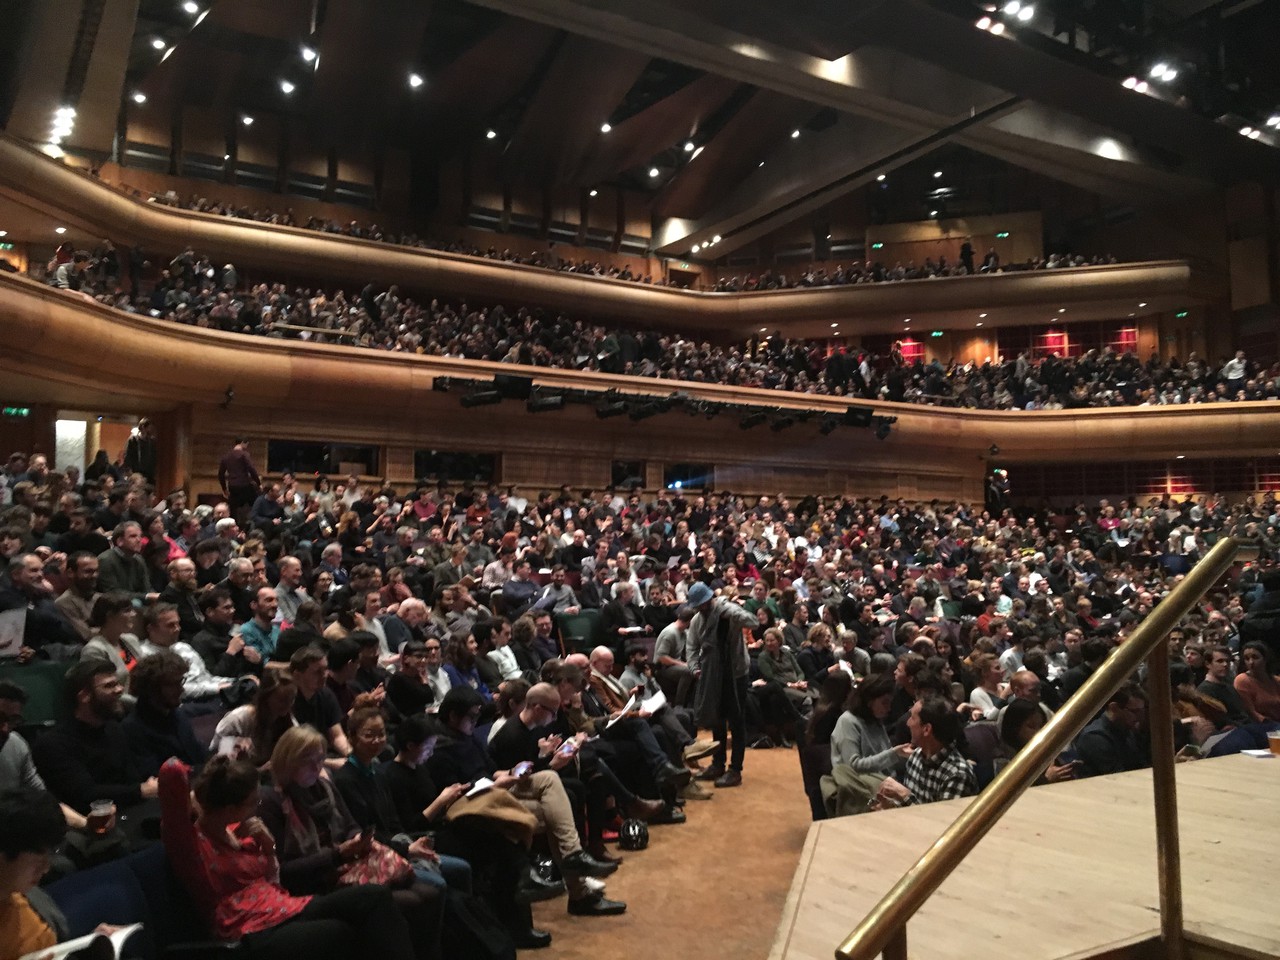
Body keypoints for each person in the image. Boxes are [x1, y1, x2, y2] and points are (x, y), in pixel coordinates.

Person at [159, 756, 418, 960]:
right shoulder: (192, 845)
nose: (258, 806)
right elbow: (171, 770)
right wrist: (197, 792)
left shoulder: (241, 833)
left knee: (373, 896)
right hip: (249, 930)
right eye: (253, 802)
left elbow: (274, 884)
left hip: (284, 908)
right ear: (230, 809)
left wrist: (269, 849)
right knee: (338, 933)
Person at [258, 726, 443, 960]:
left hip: (348, 864)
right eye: (308, 761)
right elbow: (282, 871)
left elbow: (350, 825)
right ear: (287, 761)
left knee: (431, 893)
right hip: (314, 881)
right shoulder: (272, 802)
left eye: (320, 759)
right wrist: (337, 854)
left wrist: (357, 840)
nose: (317, 767)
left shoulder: (323, 787)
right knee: (410, 900)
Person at [31, 660, 159, 837]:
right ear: (84, 696)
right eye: (109, 686)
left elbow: (132, 777)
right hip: (89, 828)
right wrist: (140, 791)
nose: (120, 690)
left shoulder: (114, 729)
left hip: (131, 813)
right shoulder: (53, 744)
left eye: (117, 684)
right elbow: (85, 794)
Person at [686, 580, 757, 787]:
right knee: (716, 718)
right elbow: (691, 648)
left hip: (736, 674)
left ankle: (736, 769)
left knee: (736, 720)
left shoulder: (727, 611)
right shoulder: (698, 620)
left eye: (704, 603)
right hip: (712, 674)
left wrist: (732, 611)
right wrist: (694, 668)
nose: (701, 608)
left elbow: (753, 622)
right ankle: (718, 763)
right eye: (698, 605)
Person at [871, 696, 977, 808]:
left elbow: (943, 823)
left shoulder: (957, 774)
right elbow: (910, 808)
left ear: (926, 729)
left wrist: (904, 794)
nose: (908, 723)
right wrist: (891, 806)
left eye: (912, 718)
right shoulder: (916, 756)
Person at [123, 650, 210, 777]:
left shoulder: (177, 715)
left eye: (180, 681)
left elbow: (197, 753)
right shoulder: (133, 729)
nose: (181, 689)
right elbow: (158, 777)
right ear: (151, 688)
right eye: (172, 685)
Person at [211, 669, 298, 768]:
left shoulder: (288, 721)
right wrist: (233, 743)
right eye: (282, 700)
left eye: (292, 699)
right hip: (234, 777)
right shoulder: (238, 719)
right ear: (266, 697)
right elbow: (216, 759)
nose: (288, 705)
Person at [1074, 684, 1149, 778]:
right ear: (1114, 708)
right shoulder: (1094, 737)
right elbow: (1118, 777)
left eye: (1141, 711)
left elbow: (1141, 765)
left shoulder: (1126, 728)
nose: (1139, 717)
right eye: (1135, 711)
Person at [218, 438, 261, 528]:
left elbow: (220, 474)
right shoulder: (244, 455)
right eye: (246, 444)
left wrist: (224, 488)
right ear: (242, 443)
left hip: (232, 486)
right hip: (244, 484)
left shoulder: (226, 456)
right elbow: (251, 469)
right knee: (254, 504)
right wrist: (258, 483)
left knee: (234, 510)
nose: (246, 447)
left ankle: (234, 527)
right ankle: (251, 526)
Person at [1233, 641, 1280, 723]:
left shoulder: (1275, 680)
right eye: (1247, 659)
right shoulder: (1242, 680)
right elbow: (1251, 713)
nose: (1251, 662)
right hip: (1261, 727)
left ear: (1265, 659)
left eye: (1255, 657)